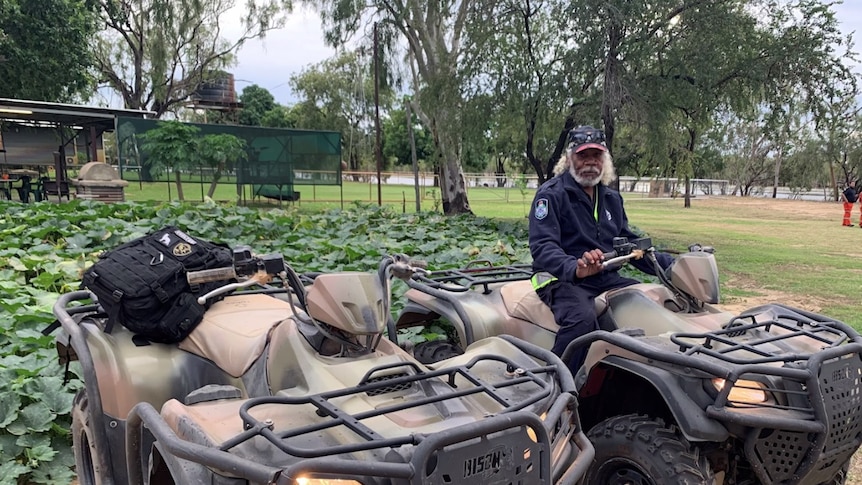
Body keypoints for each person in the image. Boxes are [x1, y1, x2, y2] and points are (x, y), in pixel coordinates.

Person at [528, 125, 675, 373]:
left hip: (604, 277)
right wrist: (574, 267)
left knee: (651, 302)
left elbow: (627, 243)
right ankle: (555, 382)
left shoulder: (611, 198)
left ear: (604, 160)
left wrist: (672, 267)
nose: (590, 162)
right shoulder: (551, 195)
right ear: (569, 159)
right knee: (581, 321)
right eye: (583, 155)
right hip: (558, 279)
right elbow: (542, 246)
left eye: (596, 156)